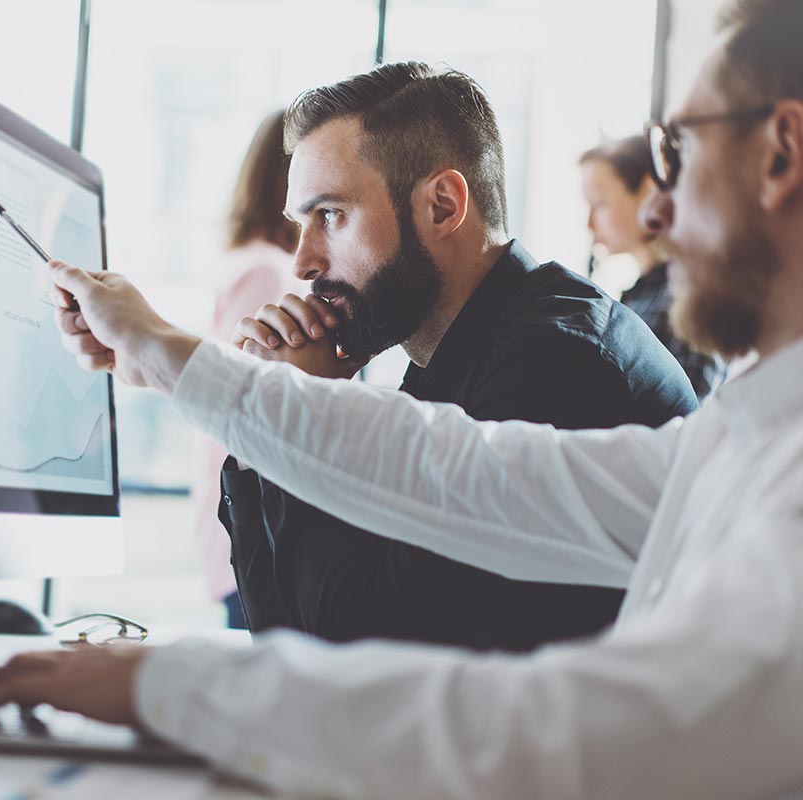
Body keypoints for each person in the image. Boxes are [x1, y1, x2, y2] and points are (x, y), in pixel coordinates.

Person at [0, 0, 803, 796]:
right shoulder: (741, 434)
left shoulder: (561, 357)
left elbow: (444, 683)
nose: (654, 207)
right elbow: (450, 471)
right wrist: (183, 366)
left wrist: (170, 683)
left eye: (678, 154)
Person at [216, 66, 696, 650]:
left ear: (442, 206)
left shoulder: (557, 366)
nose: (304, 262)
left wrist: (311, 412)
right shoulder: (445, 360)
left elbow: (363, 657)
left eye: (332, 216)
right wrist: (260, 435)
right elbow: (282, 643)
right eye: (302, 223)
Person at [189, 109, 303, 628]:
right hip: (257, 528)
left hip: (241, 524)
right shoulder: (269, 272)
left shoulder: (253, 264)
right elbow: (249, 401)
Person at [580, 134, 726, 399]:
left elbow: (686, 414)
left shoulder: (685, 300)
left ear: (648, 190)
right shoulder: (640, 296)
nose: (589, 224)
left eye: (599, 204)